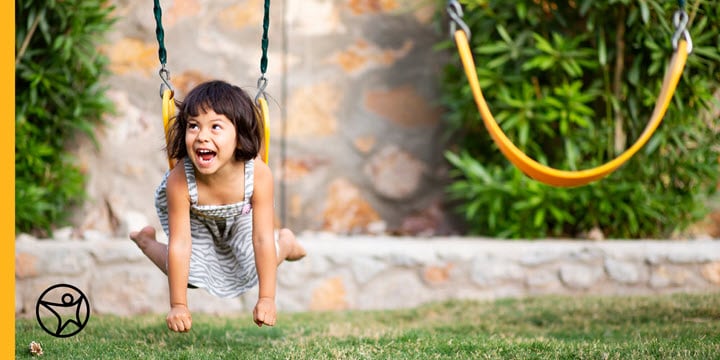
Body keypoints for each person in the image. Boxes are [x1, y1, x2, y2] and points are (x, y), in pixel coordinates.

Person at [130, 80, 306, 333]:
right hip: (198, 220)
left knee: (253, 265)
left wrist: (267, 298)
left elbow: (262, 238)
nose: (202, 136)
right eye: (193, 126)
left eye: (215, 127)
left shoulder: (257, 173)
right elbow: (181, 244)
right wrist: (178, 305)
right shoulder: (181, 179)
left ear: (239, 135)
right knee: (187, 274)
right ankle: (147, 242)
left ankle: (286, 243)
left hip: (240, 217)